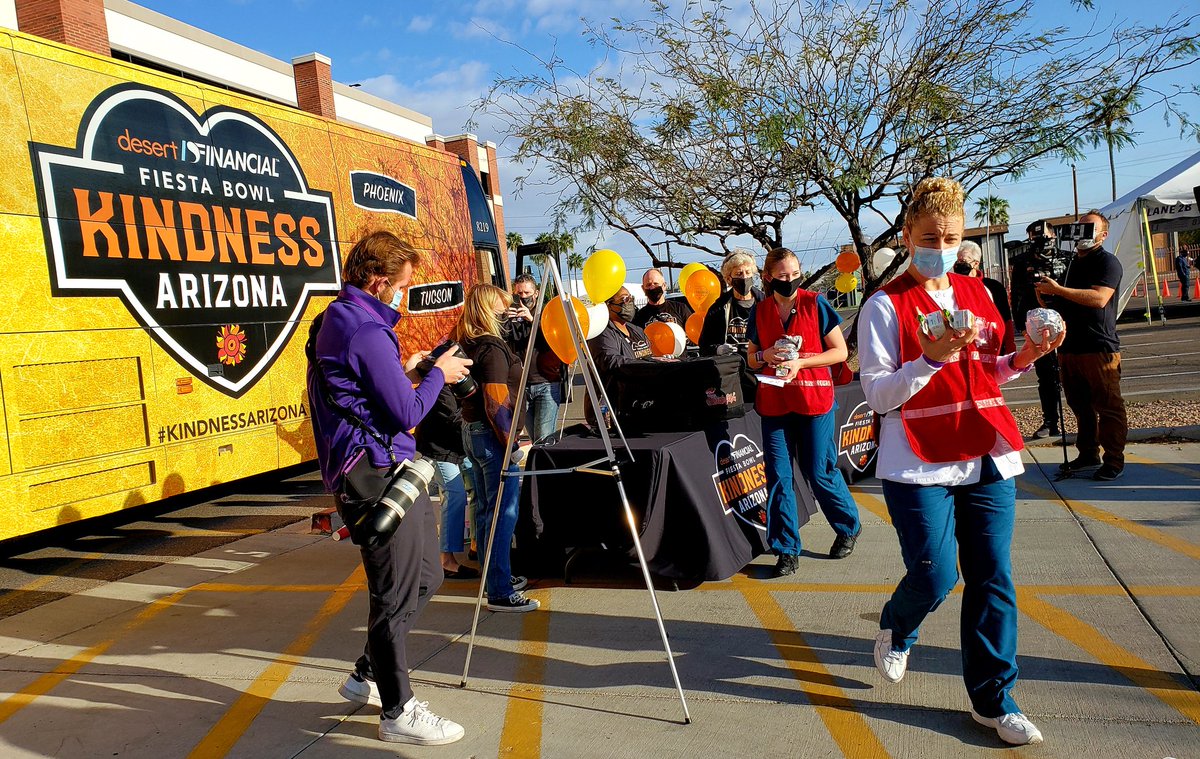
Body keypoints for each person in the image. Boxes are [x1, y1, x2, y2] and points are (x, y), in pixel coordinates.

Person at [858, 177, 1061, 746]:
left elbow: (988, 370)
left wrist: (1023, 356)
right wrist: (927, 359)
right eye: (929, 236)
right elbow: (875, 395)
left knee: (993, 576)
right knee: (935, 572)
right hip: (918, 459)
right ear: (907, 236)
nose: (941, 247)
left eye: (951, 236)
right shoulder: (883, 306)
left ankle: (994, 700)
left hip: (987, 452)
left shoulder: (979, 295)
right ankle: (898, 626)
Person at [307, 230, 472, 745]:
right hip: (374, 472)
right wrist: (439, 374)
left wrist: (407, 371)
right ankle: (398, 712)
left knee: (425, 577)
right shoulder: (363, 329)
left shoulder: (345, 320)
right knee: (395, 592)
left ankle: (366, 676)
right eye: (401, 286)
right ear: (379, 281)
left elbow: (365, 391)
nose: (403, 294)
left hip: (388, 466)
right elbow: (407, 411)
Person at [745, 247, 861, 577]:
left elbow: (839, 352)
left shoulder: (815, 303)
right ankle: (785, 548)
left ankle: (848, 526)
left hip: (814, 401)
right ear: (767, 278)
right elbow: (751, 358)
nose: (790, 281)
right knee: (778, 478)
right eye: (782, 276)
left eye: (795, 274)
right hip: (775, 403)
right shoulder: (762, 310)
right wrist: (766, 354)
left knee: (819, 471)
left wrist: (802, 362)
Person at [454, 284, 540, 612]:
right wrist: (512, 445)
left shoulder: (470, 342)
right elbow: (495, 404)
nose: (508, 314)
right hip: (491, 437)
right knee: (503, 513)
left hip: (474, 432)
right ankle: (500, 590)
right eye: (502, 309)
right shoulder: (490, 346)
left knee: (486, 511)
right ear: (490, 310)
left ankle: (495, 577)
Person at [1035, 210, 1127, 481]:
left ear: (1103, 235)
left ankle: (1114, 460)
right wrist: (1044, 293)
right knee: (1080, 405)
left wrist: (1059, 290)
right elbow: (1058, 302)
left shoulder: (1107, 262)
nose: (1082, 234)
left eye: (1089, 228)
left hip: (1099, 346)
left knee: (1108, 406)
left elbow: (1099, 298)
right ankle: (1088, 453)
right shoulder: (1069, 263)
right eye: (1080, 228)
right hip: (1069, 347)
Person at [412, 359, 479, 580]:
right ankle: (446, 560)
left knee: (479, 487)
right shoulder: (441, 384)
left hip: (459, 445)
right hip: (439, 447)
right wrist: (482, 428)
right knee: (455, 494)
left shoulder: (458, 379)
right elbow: (454, 418)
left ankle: (476, 544)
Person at [1009, 221, 1061, 438]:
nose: (1040, 243)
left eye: (1045, 238)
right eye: (1035, 238)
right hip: (1038, 327)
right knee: (1046, 376)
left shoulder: (1066, 258)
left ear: (1054, 237)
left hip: (1067, 323)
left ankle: (1085, 422)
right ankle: (1050, 421)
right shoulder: (1022, 262)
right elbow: (1017, 295)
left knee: (1074, 376)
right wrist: (1021, 327)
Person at [506, 273, 566, 442]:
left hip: (546, 382)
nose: (523, 297)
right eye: (519, 294)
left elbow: (555, 339)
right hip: (522, 385)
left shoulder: (548, 313)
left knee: (544, 437)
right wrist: (504, 322)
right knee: (534, 437)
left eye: (526, 293)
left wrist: (532, 319)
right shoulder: (513, 316)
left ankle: (548, 467)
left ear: (537, 293)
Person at [698, 249, 766, 355]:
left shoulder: (766, 304)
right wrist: (718, 349)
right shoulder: (718, 308)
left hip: (760, 365)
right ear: (729, 279)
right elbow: (704, 346)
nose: (744, 277)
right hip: (730, 367)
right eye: (739, 273)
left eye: (748, 273)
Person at [953, 241, 1016, 353]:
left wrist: (1010, 346)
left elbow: (1006, 319)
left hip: (992, 346)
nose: (958, 264)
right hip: (962, 349)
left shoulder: (993, 287)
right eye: (956, 261)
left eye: (962, 261)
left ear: (976, 263)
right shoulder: (951, 286)